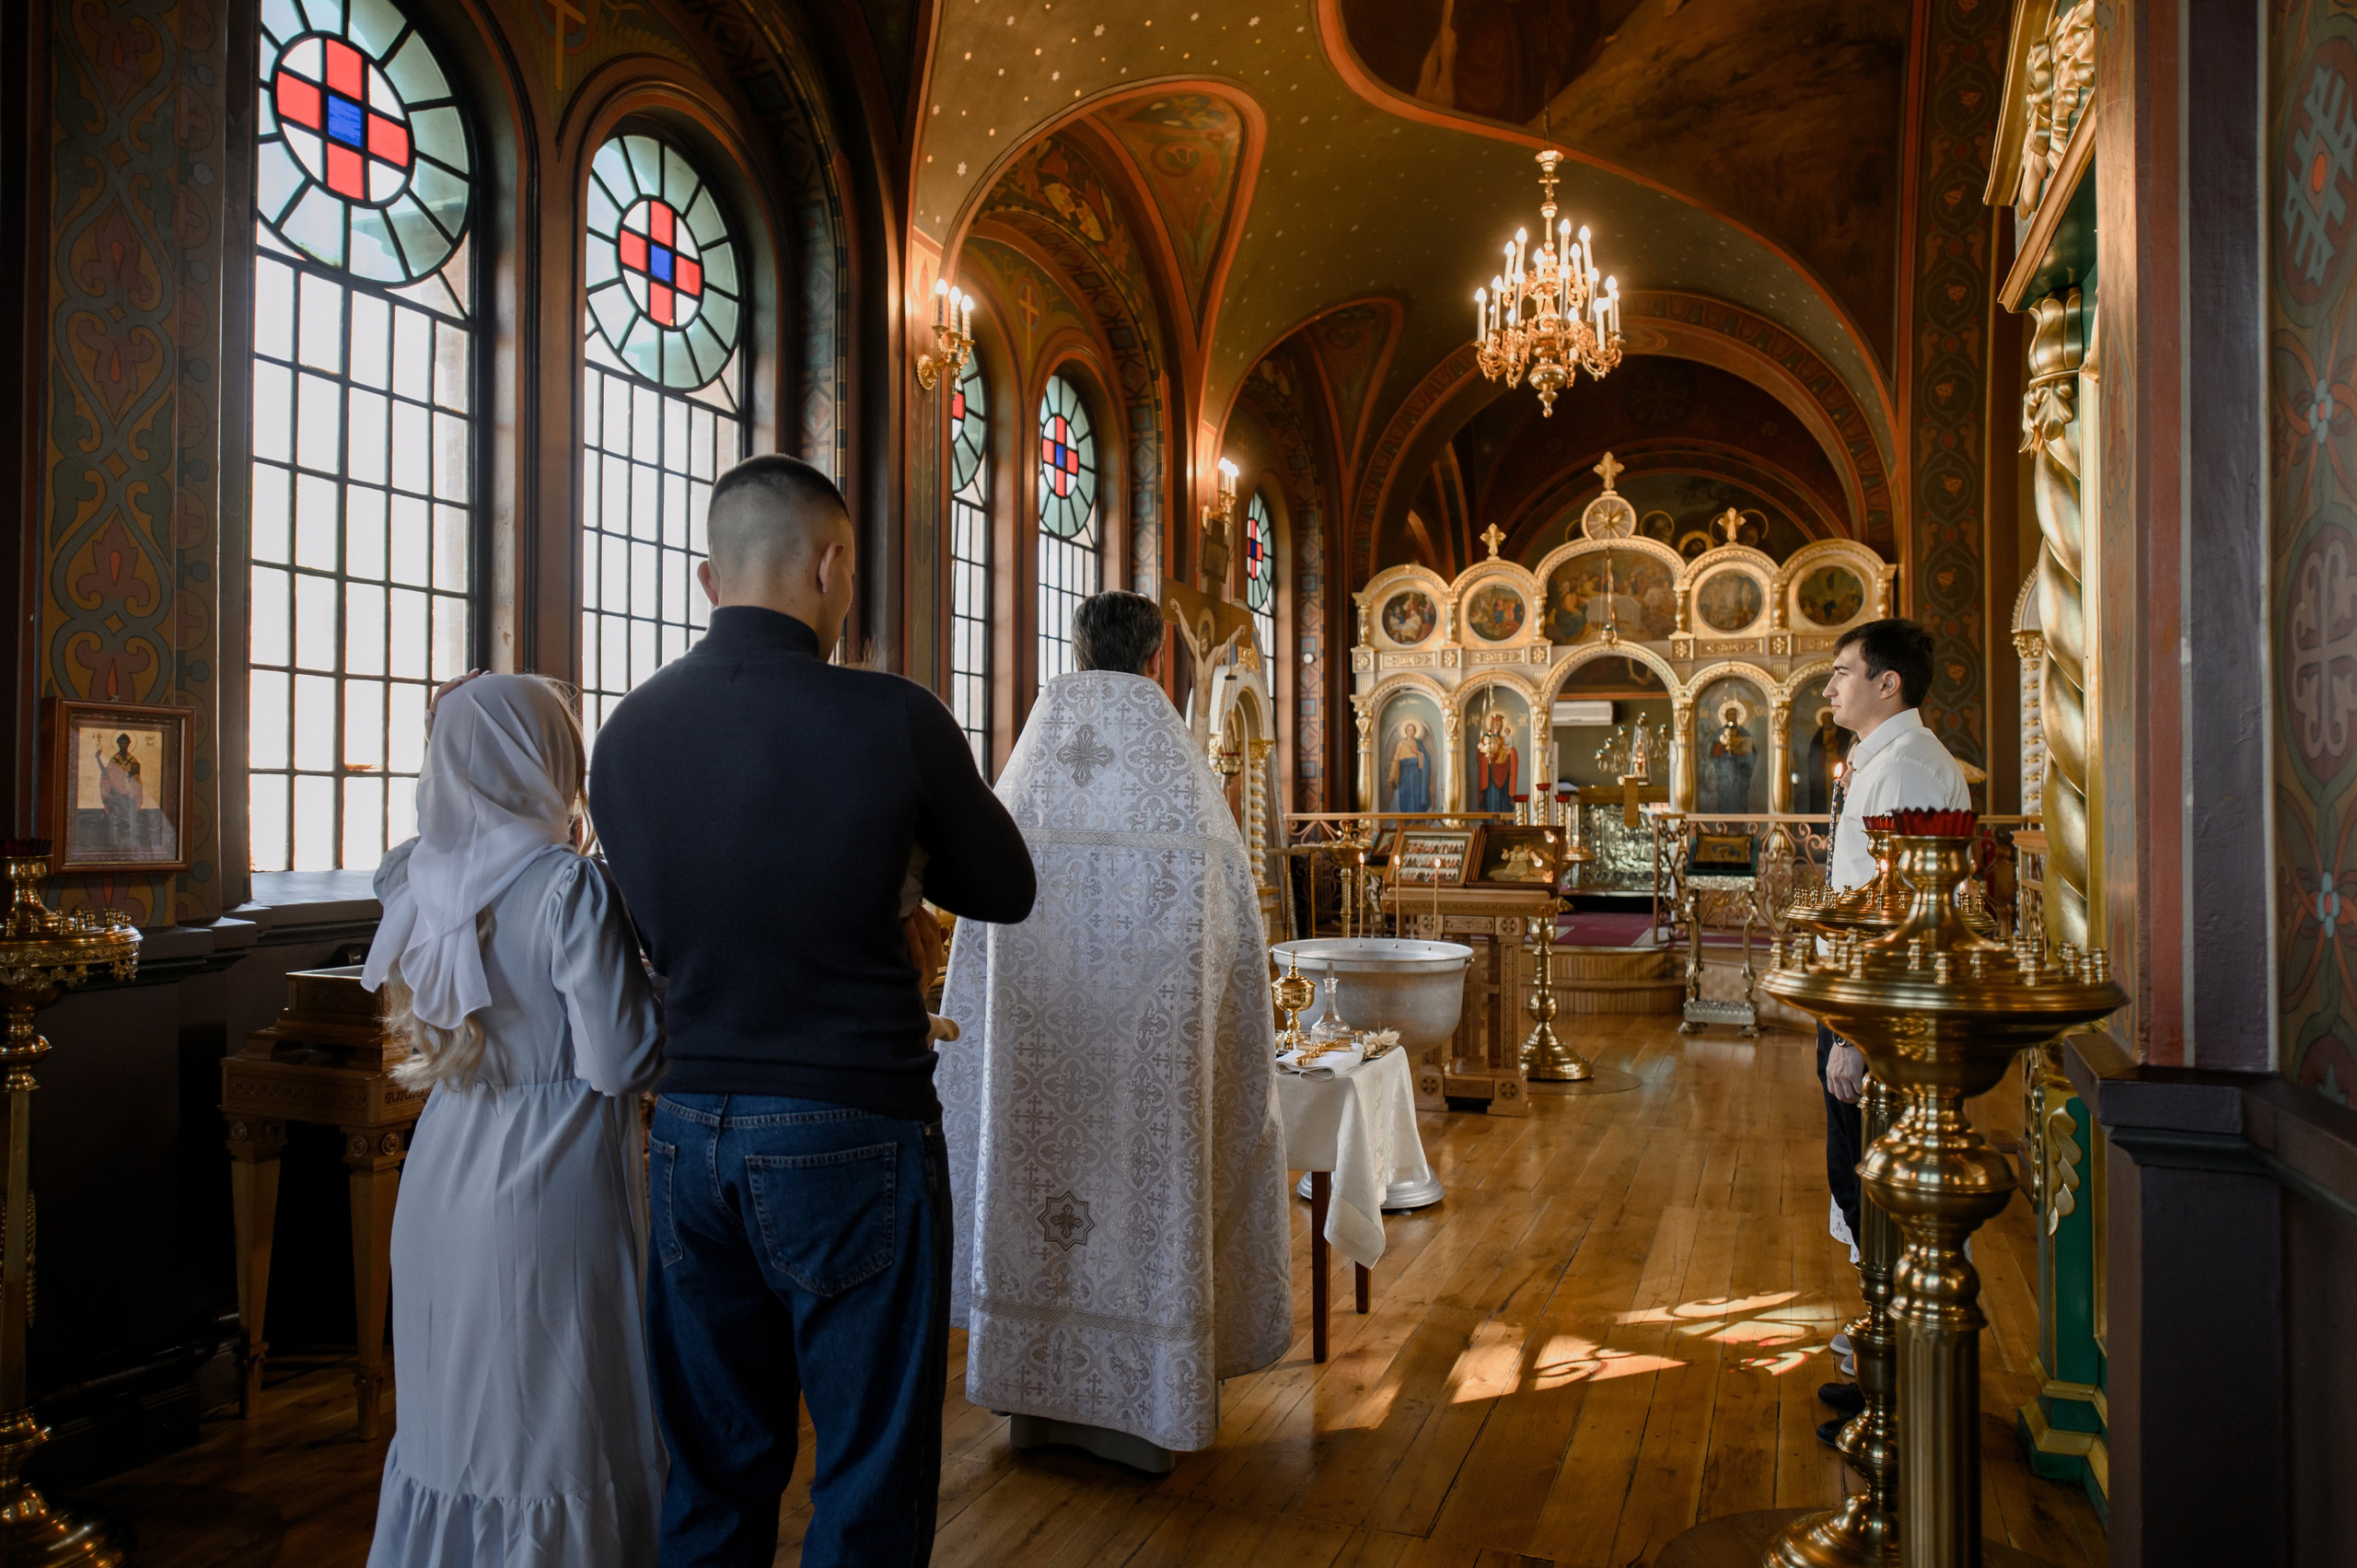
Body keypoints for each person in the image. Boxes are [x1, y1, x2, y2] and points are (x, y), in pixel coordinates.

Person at [589, 453, 1036, 1568]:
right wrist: (908, 842)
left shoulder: (627, 733)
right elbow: (1006, 889)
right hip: (850, 1124)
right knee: (868, 1471)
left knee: (710, 1468)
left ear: (709, 579)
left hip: (688, 1130)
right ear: (833, 564)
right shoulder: (893, 716)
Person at [936, 589, 1290, 1473]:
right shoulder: (1182, 788)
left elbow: (979, 933)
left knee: (1041, 1205)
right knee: (1149, 1201)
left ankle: (1036, 1406)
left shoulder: (1027, 774)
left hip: (1042, 1064)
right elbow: (1236, 940)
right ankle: (1149, 1405)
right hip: (1148, 1070)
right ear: (1159, 656)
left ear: (1076, 645)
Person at [361, 673, 667, 1568]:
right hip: (550, 1178)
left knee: (453, 1430)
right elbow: (619, 1060)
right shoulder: (567, 888)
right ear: (551, 758)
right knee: (552, 1429)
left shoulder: (411, 876)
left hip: (442, 1173)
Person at [1810, 618, 1968, 1442]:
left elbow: (1897, 918)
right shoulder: (1882, 760)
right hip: (1859, 1009)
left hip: (1880, 1021)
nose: (1830, 686)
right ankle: (1883, 1357)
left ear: (1888, 684)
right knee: (1862, 1182)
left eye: (1842, 672)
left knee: (1883, 1189)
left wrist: (1856, 1035)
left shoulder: (1906, 766)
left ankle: (1903, 1393)